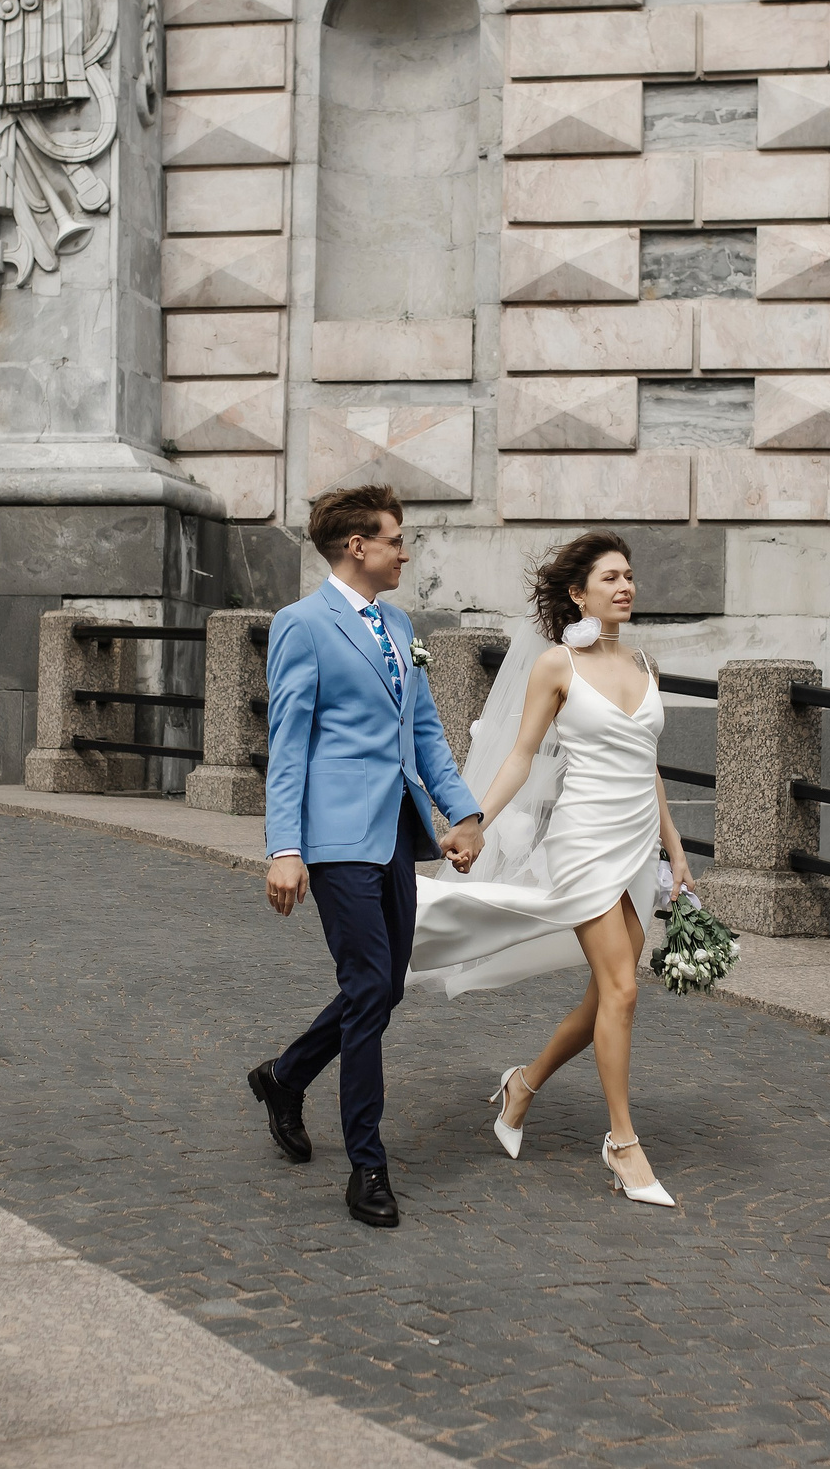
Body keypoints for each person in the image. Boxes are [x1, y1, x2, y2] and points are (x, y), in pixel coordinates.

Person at [410, 532, 689, 1208]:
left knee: (606, 996)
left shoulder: (644, 664)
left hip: (635, 846)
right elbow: (521, 755)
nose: (625, 586)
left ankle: (522, 1084)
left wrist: (675, 849)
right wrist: (473, 820)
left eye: (629, 575)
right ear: (578, 593)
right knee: (622, 989)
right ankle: (622, 1143)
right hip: (583, 842)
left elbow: (647, 767)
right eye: (610, 577)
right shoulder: (557, 665)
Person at [248, 486, 485, 1229]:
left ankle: (286, 1076)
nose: (405, 552)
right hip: (336, 839)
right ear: (358, 546)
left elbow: (425, 732)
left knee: (382, 990)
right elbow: (288, 744)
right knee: (370, 984)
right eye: (396, 539)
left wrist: (464, 812)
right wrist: (285, 849)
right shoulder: (301, 624)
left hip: (396, 833)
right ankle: (367, 1165)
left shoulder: (400, 624)